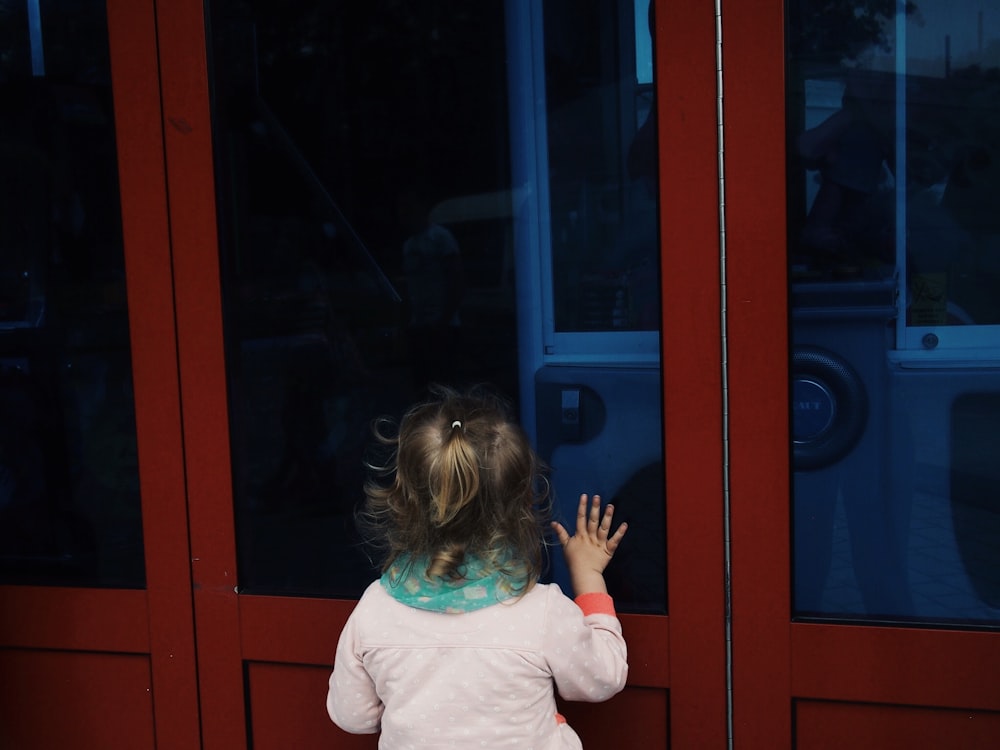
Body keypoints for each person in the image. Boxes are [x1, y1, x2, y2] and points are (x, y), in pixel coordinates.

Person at [326, 385, 629, 748]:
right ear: (521, 504)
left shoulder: (374, 609)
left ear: (403, 499)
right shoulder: (541, 613)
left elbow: (353, 717)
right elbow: (604, 678)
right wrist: (589, 576)